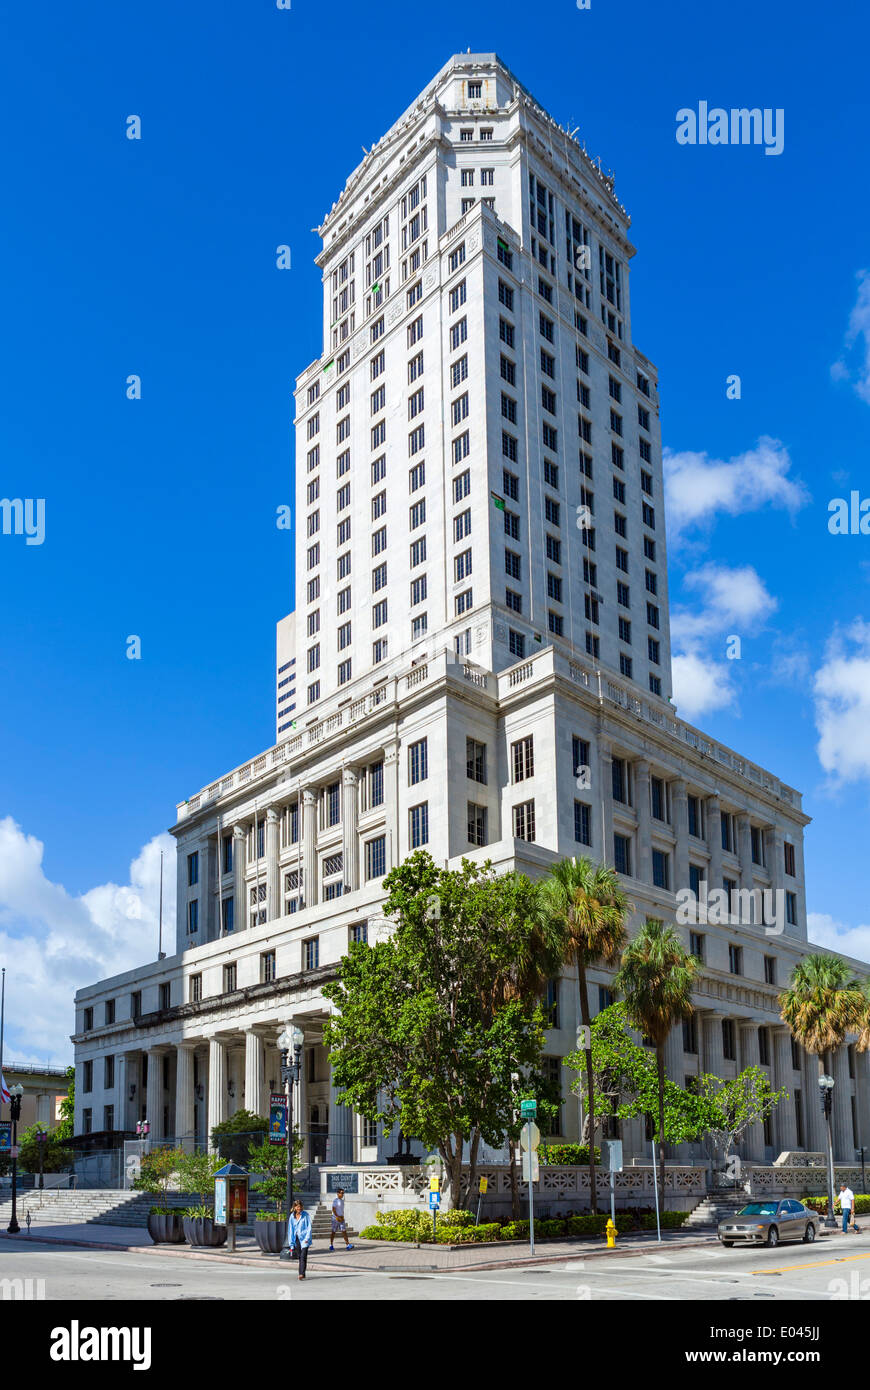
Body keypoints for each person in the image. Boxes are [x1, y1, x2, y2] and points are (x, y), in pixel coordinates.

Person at [288, 1198, 313, 1279]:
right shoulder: (292, 1216)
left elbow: (309, 1227)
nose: (299, 1208)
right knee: (300, 1257)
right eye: (297, 1207)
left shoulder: (306, 1215)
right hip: (297, 1239)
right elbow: (290, 1230)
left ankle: (301, 1274)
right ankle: (303, 1273)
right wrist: (291, 1244)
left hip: (305, 1238)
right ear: (294, 1207)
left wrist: (307, 1238)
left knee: (303, 1256)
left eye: (300, 1206)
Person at [329, 1188, 354, 1252]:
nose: (342, 1194)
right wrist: (337, 1217)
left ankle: (348, 1245)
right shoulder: (335, 1201)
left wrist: (342, 1216)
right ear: (338, 1193)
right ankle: (331, 1245)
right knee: (333, 1232)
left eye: (343, 1193)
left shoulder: (342, 1201)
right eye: (341, 1193)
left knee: (344, 1231)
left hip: (341, 1218)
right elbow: (333, 1209)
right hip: (335, 1219)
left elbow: (341, 1210)